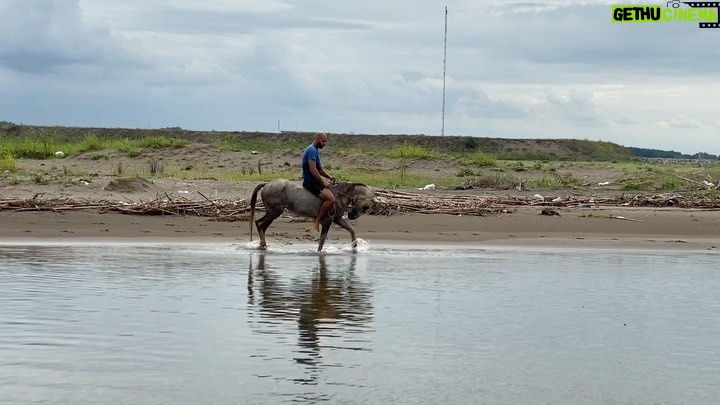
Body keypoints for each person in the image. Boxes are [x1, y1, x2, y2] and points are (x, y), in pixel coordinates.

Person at [302, 132, 336, 231]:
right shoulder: (312, 150)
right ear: (317, 139)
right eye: (323, 141)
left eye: (325, 141)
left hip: (314, 181)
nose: (324, 143)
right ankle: (318, 219)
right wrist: (323, 183)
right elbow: (313, 170)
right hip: (310, 182)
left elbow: (320, 170)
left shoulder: (315, 151)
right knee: (331, 199)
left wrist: (329, 177)